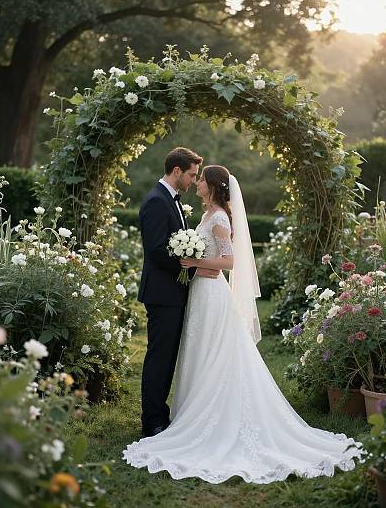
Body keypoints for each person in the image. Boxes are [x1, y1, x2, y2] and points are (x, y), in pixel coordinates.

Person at [125, 164, 361, 484]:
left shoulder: (220, 217)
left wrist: (194, 262)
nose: (197, 184)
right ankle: (191, 412)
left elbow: (228, 261)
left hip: (211, 294)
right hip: (199, 294)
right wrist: (194, 266)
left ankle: (214, 417)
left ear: (213, 185)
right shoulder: (209, 213)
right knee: (200, 353)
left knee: (216, 354)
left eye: (201, 181)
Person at [137, 147, 219, 438]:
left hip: (171, 293)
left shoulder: (170, 200)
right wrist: (190, 268)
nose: (193, 181)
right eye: (192, 175)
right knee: (160, 357)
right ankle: (153, 421)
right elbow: (158, 251)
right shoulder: (157, 202)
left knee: (167, 356)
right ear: (176, 172)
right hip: (162, 294)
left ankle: (160, 414)